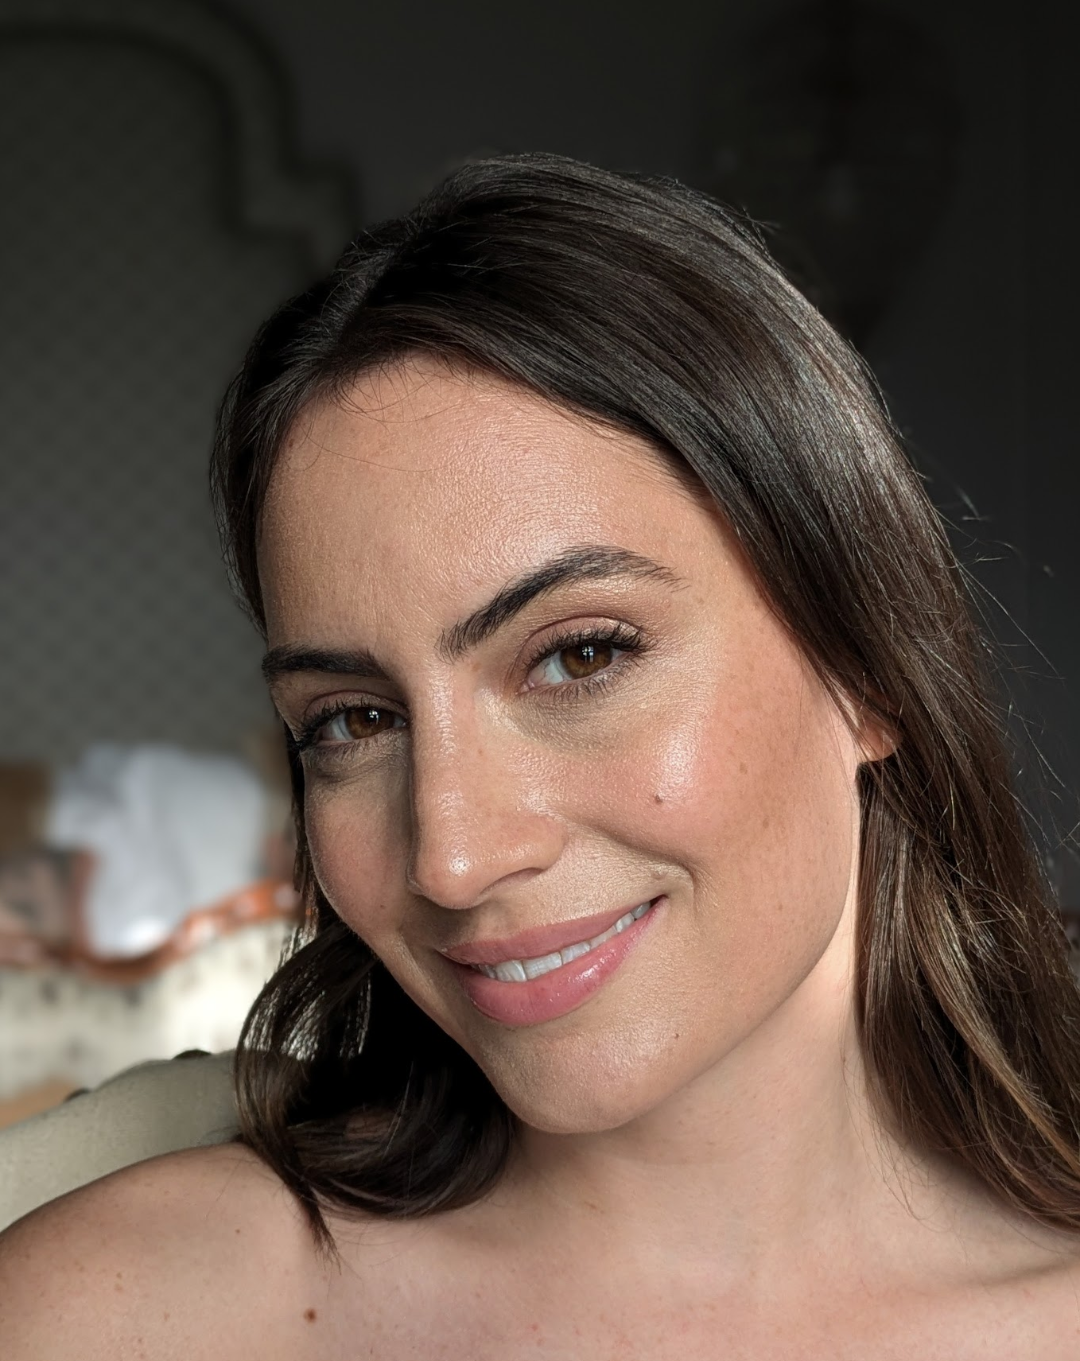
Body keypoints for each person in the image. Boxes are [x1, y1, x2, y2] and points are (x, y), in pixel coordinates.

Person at [4, 152, 1080, 1358]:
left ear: (867, 662)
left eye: (578, 656)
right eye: (355, 719)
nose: (452, 855)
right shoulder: (121, 1315)